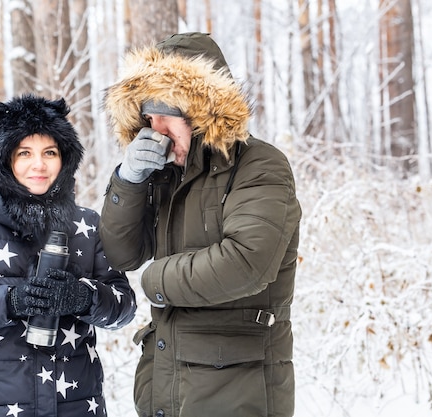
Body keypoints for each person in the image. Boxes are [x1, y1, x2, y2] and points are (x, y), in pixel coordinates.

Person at [100, 32, 301, 417]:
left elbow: (246, 263)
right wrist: (128, 181)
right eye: (148, 115)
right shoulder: (161, 174)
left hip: (236, 389)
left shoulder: (259, 165)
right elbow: (122, 253)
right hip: (166, 384)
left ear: (201, 109)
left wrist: (155, 280)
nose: (155, 129)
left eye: (166, 112)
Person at [0, 94, 136, 417]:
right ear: (4, 159)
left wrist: (83, 297)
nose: (39, 164)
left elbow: (124, 306)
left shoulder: (87, 225)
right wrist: (10, 302)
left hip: (76, 407)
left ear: (65, 158)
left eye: (50, 152)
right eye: (25, 153)